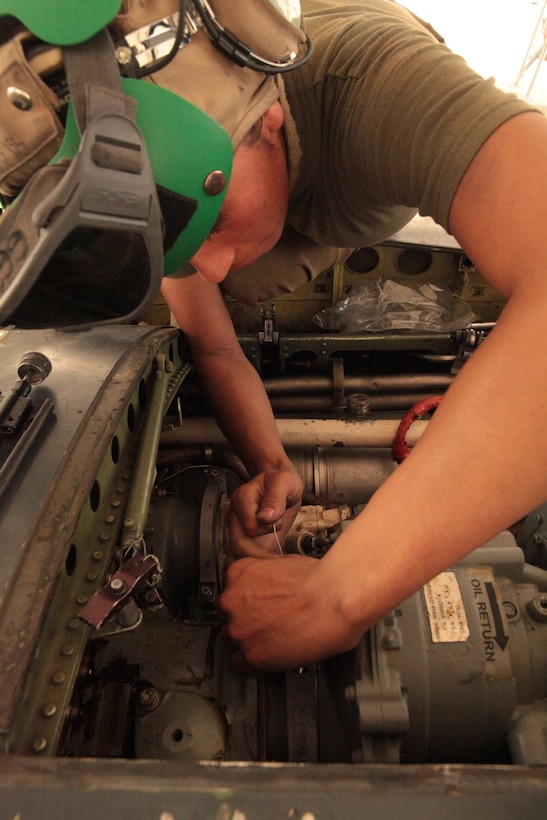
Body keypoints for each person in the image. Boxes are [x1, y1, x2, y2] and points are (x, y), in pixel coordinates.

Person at [159, 0, 547, 670]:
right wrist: (272, 463)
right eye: (178, 242)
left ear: (270, 121)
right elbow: (215, 345)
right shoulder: (176, 161)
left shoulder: (373, 84)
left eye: (212, 216)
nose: (210, 266)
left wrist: (337, 595)